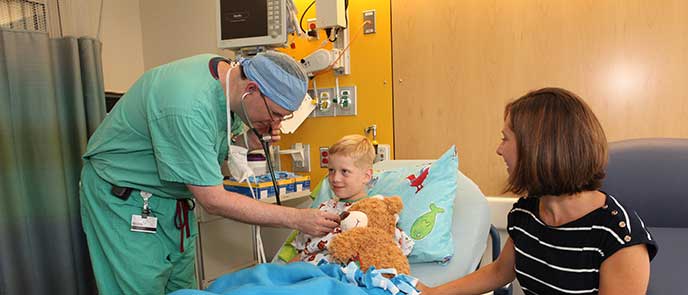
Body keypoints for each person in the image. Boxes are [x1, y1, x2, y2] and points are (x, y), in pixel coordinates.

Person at [79, 51, 340, 294]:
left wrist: (248, 140)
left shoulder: (228, 84)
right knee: (141, 288)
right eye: (276, 115)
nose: (277, 124)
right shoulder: (187, 106)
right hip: (125, 200)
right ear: (252, 90)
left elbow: (211, 141)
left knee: (183, 290)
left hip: (173, 204)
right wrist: (297, 218)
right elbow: (213, 200)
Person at [419, 88, 658, 295]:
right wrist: (433, 292)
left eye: (505, 139)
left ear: (539, 148)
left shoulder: (618, 235)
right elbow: (500, 271)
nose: (499, 150)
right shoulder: (527, 212)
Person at [291, 134, 414, 264]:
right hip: (309, 270)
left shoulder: (376, 211)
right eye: (331, 170)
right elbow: (301, 249)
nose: (335, 178)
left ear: (366, 176)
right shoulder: (324, 209)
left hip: (345, 274)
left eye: (344, 171)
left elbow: (394, 247)